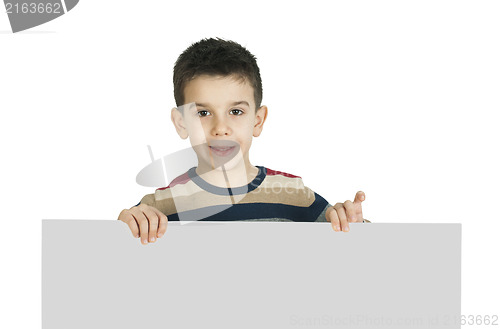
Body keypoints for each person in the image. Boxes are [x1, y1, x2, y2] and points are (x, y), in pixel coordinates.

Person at [118, 38, 371, 245]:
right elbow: (114, 251)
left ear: (258, 120)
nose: (221, 129)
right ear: (181, 122)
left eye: (236, 112)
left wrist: (352, 223)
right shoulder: (161, 205)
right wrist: (127, 222)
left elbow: (353, 251)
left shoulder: (294, 195)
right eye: (203, 113)